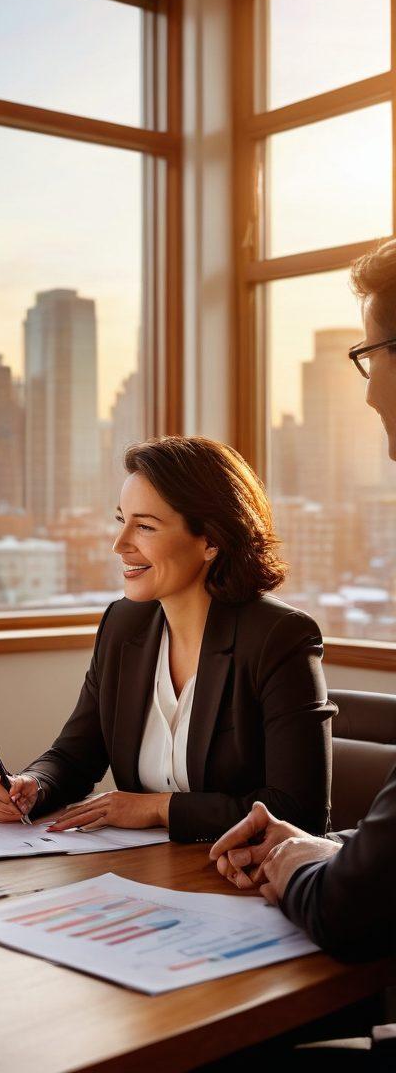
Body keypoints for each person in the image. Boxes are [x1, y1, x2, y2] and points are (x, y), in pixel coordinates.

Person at [0, 435, 335, 842]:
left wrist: (157, 808)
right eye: (121, 521)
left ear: (211, 541)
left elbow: (298, 811)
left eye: (145, 526)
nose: (120, 544)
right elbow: (75, 755)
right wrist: (31, 785)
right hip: (150, 873)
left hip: (255, 881)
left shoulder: (279, 637)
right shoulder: (124, 624)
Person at [211, 238, 396, 961]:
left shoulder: (279, 635)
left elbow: (354, 912)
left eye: (368, 352)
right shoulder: (127, 630)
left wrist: (299, 865)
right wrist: (328, 851)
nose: (368, 387)